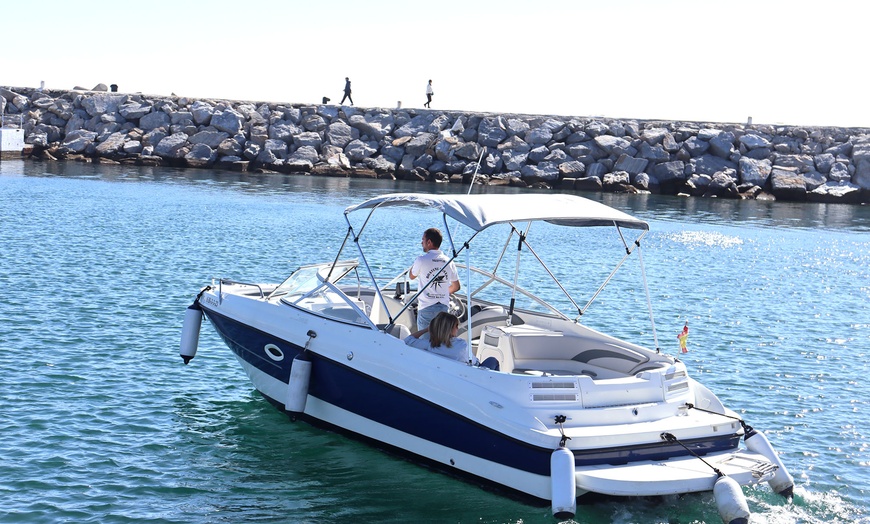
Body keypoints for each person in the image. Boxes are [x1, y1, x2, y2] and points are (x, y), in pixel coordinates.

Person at [409, 227, 460, 331]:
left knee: (425, 343)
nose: (421, 242)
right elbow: (456, 286)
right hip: (443, 309)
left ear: (429, 242)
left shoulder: (421, 260)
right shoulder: (449, 261)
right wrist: (442, 293)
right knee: (441, 341)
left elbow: (411, 276)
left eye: (423, 240)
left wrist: (415, 263)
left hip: (426, 308)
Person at [404, 312, 476, 364]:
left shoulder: (428, 345)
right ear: (449, 329)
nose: (457, 328)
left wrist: (426, 329)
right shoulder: (462, 345)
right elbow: (473, 362)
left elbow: (408, 340)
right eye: (456, 325)